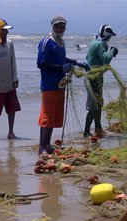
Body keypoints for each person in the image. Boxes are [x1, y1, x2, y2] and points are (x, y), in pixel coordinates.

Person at [37, 15, 89, 154]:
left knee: (54, 115)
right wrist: (61, 68)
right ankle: (42, 146)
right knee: (47, 115)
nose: (60, 29)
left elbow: (61, 58)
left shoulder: (61, 42)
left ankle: (48, 144)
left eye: (62, 26)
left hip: (60, 84)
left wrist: (75, 63)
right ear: (52, 26)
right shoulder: (47, 42)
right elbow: (41, 64)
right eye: (57, 26)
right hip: (49, 84)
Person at [83, 24, 118, 138]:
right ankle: (86, 131)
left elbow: (88, 57)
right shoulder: (99, 44)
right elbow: (106, 59)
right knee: (94, 105)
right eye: (110, 36)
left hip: (95, 76)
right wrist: (112, 50)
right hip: (94, 78)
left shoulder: (95, 42)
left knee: (98, 104)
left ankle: (98, 128)